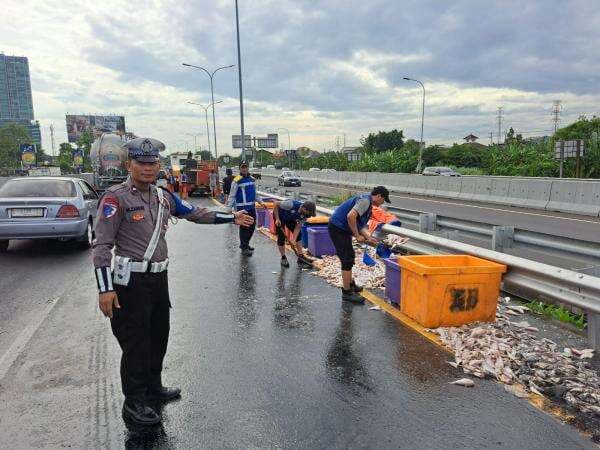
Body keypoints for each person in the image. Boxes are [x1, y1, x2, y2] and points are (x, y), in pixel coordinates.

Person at [92, 137, 253, 427]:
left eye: (153, 162)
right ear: (130, 164)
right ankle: (135, 402)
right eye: (141, 163)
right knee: (136, 344)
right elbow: (101, 245)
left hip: (158, 279)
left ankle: (153, 386)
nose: (148, 168)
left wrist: (231, 217)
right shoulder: (116, 198)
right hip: (131, 283)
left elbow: (195, 213)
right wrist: (105, 289)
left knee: (158, 336)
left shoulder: (163, 196)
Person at [328, 186, 390, 303]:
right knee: (346, 259)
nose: (382, 203)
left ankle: (350, 284)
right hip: (338, 228)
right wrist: (357, 236)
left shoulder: (367, 202)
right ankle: (346, 293)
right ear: (379, 196)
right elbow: (350, 216)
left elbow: (357, 223)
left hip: (342, 229)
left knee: (350, 255)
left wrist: (369, 237)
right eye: (383, 200)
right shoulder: (365, 201)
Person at [227, 161, 265, 256]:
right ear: (240, 168)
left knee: (252, 226)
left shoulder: (251, 179)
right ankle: (243, 247)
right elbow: (232, 195)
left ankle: (246, 243)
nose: (244, 169)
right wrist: (228, 209)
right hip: (242, 208)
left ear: (248, 168)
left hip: (251, 207)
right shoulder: (237, 180)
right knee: (244, 227)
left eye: (246, 167)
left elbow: (255, 193)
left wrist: (261, 202)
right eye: (242, 167)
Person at [272, 199, 316, 268]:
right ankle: (283, 258)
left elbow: (298, 227)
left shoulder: (305, 215)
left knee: (299, 235)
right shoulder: (290, 204)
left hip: (290, 219)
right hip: (280, 217)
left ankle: (300, 256)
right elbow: (276, 204)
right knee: (281, 237)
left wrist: (293, 241)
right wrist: (277, 218)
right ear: (304, 208)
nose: (308, 215)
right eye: (308, 213)